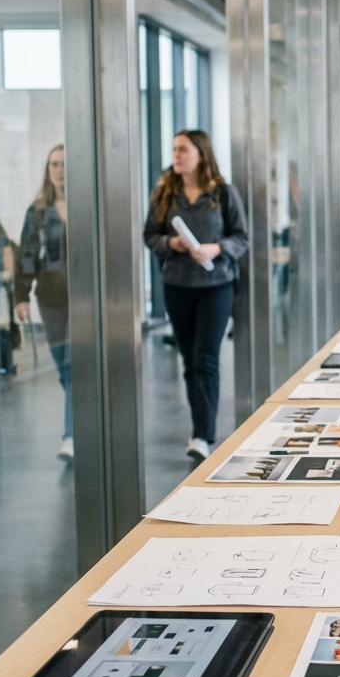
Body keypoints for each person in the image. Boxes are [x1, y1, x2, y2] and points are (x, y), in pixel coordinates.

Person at [143, 130, 248, 461]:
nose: (176, 155)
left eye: (183, 150)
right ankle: (198, 427)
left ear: (200, 154)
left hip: (216, 286)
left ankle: (203, 434)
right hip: (177, 286)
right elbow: (150, 235)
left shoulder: (223, 194)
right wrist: (170, 244)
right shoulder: (164, 194)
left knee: (205, 358)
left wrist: (216, 248)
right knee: (189, 360)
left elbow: (241, 237)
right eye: (174, 149)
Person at [15, 145, 72, 459]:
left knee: (73, 365)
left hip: (83, 301)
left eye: (64, 164)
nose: (59, 170)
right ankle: (80, 416)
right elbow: (26, 257)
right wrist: (21, 297)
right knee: (63, 368)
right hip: (49, 298)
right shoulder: (37, 210)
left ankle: (71, 434)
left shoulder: (87, 206)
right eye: (54, 164)